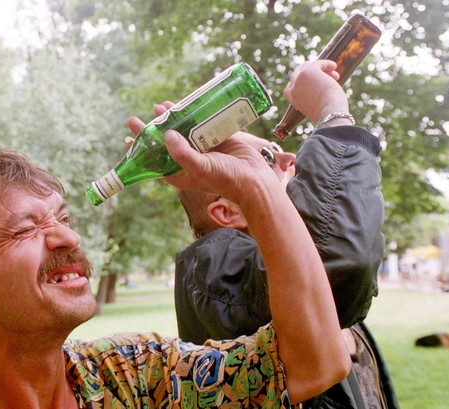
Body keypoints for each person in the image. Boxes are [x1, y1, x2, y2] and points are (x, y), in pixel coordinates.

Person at [0, 64, 351, 408]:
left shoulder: (136, 373)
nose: (65, 236)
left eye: (61, 218)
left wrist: (255, 185)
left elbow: (315, 364)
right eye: (26, 228)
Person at [168, 61, 399, 408]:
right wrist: (332, 114)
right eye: (265, 156)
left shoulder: (268, 264)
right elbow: (338, 261)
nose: (290, 156)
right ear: (227, 212)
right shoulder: (211, 266)